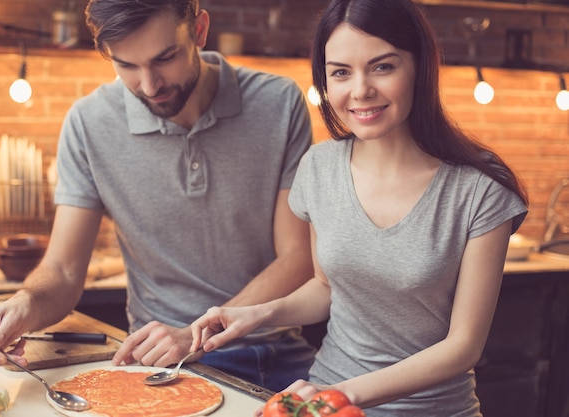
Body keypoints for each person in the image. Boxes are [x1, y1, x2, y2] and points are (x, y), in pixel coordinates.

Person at [190, 0, 529, 415]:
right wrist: (257, 314)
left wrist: (346, 394)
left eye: (383, 67)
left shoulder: (479, 188)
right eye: (341, 73)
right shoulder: (319, 167)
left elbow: (462, 347)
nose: (360, 90)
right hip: (326, 405)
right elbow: (326, 287)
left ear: (420, 67)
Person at [0, 0, 317, 391]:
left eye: (165, 57)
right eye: (127, 66)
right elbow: (65, 272)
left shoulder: (279, 103)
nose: (150, 86)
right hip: (163, 367)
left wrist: (195, 334)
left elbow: (298, 257)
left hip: (276, 351)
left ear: (199, 31)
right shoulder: (89, 124)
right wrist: (26, 304)